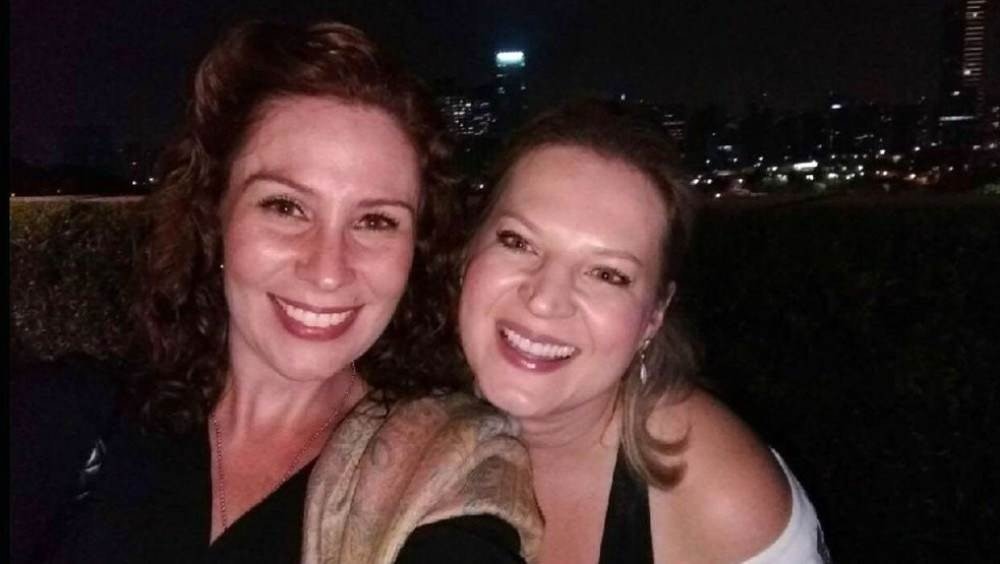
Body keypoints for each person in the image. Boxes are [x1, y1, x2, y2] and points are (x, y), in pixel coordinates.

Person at [11, 20, 540, 564]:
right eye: (286, 207)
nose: (327, 271)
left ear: (416, 250)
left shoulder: (445, 467)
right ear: (215, 214)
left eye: (376, 221)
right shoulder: (73, 418)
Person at [456, 99, 830, 563]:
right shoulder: (397, 410)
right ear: (468, 251)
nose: (545, 299)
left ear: (654, 316)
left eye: (607, 274)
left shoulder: (722, 500)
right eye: (518, 242)